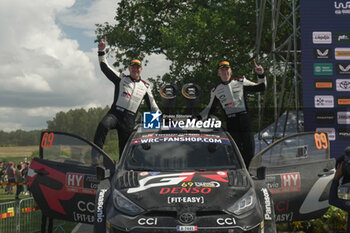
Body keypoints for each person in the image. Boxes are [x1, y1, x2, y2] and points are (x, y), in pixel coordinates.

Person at [94, 37, 160, 158]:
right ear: (129, 68)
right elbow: (105, 67)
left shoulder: (146, 86)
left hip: (129, 120)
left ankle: (121, 169)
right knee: (103, 125)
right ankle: (96, 157)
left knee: (124, 151)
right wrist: (101, 51)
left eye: (137, 67)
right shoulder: (121, 78)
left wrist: (152, 132)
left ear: (141, 69)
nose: (135, 69)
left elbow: (154, 108)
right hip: (115, 113)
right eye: (133, 67)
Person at [199, 60, 266, 167]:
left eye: (227, 69)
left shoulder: (240, 81)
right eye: (222, 70)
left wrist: (261, 74)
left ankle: (249, 171)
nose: (225, 72)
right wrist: (196, 118)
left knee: (249, 146)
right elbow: (209, 109)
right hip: (231, 120)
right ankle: (238, 170)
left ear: (231, 71)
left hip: (244, 118)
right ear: (218, 73)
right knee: (235, 148)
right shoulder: (215, 90)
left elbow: (261, 87)